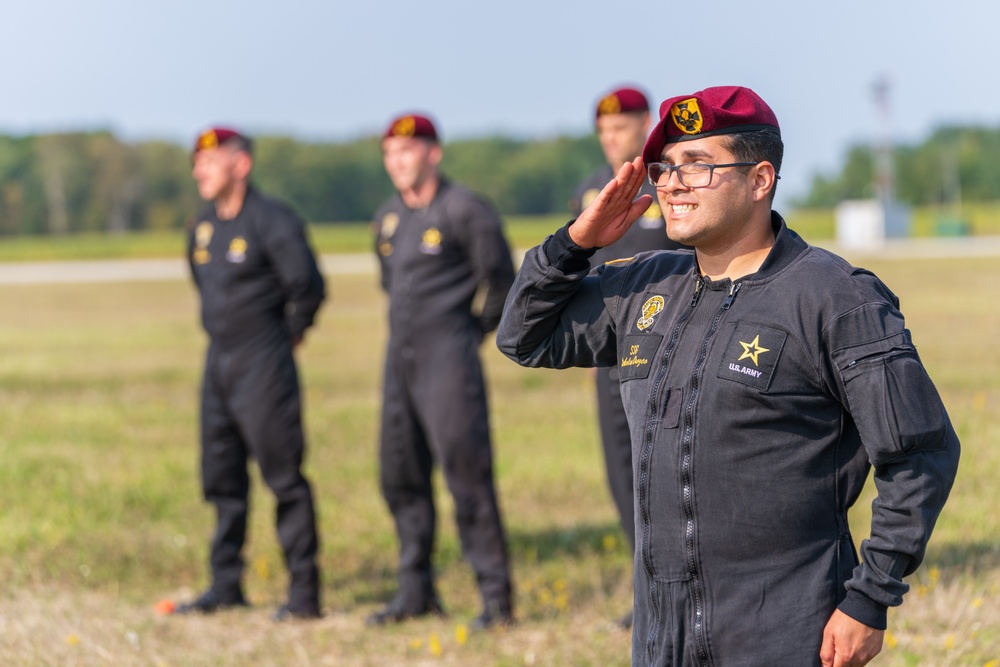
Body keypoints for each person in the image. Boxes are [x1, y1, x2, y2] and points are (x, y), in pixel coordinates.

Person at [496, 86, 959, 666]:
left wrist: (870, 596)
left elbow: (922, 453)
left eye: (699, 165)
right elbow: (522, 337)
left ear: (761, 179)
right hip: (660, 637)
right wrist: (573, 244)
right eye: (665, 167)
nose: (672, 183)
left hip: (785, 632)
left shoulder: (834, 297)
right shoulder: (644, 287)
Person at [368, 113, 515, 629]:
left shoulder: (464, 209)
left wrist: (473, 330)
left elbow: (502, 280)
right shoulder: (388, 217)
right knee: (400, 473)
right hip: (400, 359)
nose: (397, 162)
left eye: (407, 150)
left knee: (467, 476)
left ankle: (496, 600)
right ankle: (415, 592)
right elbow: (390, 282)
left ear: (433, 152)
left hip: (448, 356)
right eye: (389, 153)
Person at [178, 127, 326, 621]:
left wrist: (288, 334)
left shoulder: (272, 220)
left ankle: (304, 593)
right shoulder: (201, 226)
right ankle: (225, 584)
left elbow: (307, 285)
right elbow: (202, 283)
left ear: (241, 165)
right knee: (221, 478)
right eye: (197, 162)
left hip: (264, 361)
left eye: (210, 161)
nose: (200, 170)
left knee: (283, 477)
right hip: (218, 361)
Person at [571, 88, 688, 621]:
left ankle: (682, 585)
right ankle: (646, 589)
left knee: (669, 468)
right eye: (604, 129)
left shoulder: (670, 180)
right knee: (623, 471)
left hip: (668, 348)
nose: (611, 137)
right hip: (611, 354)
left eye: (620, 126)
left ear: (645, 123)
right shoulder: (593, 190)